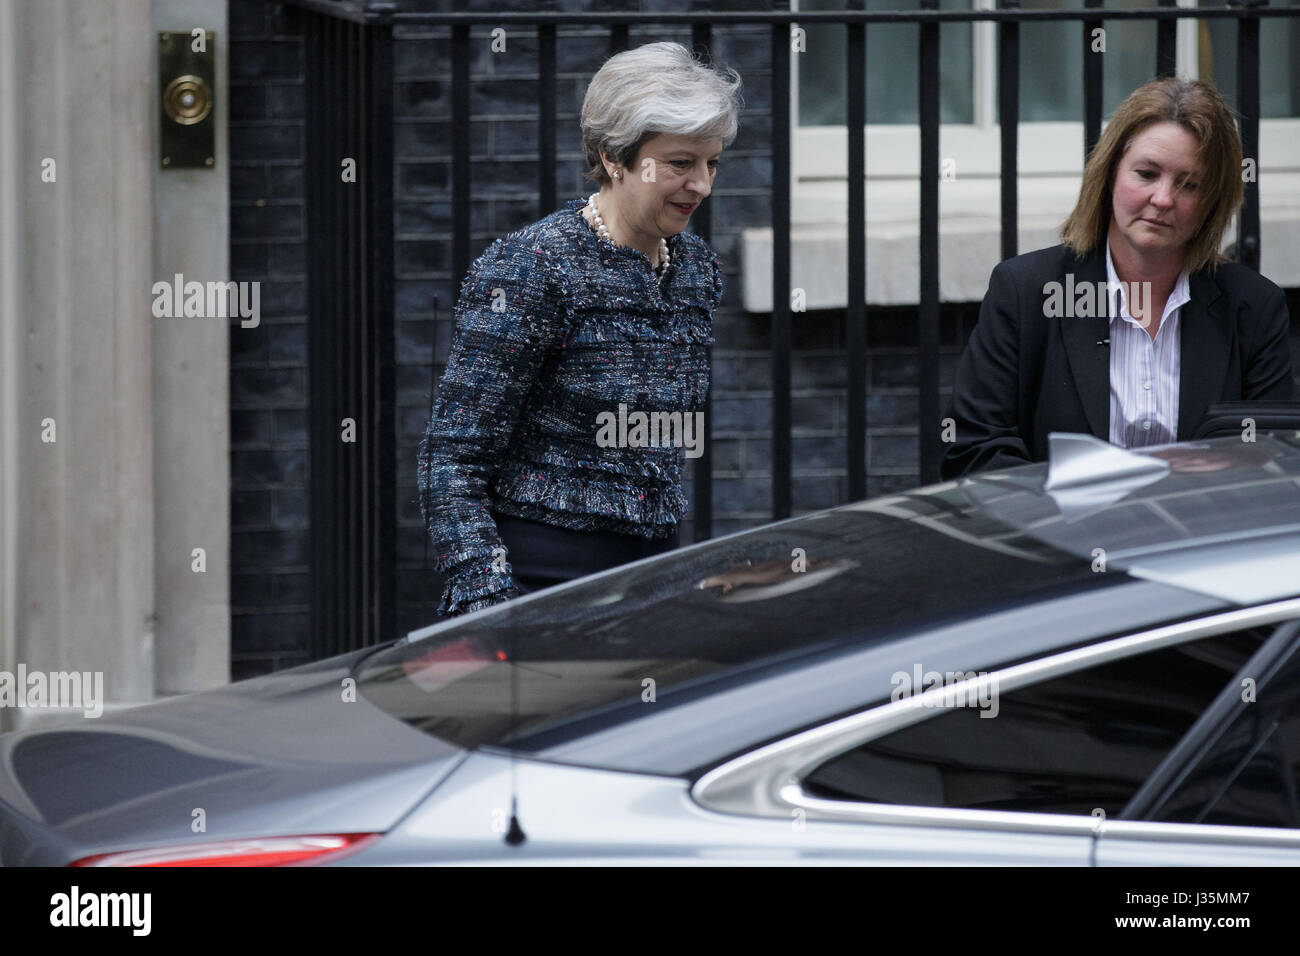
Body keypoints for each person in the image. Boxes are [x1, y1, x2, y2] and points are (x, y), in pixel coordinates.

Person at [418, 41, 743, 617]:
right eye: (679, 164)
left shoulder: (694, 269)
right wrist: (488, 602)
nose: (702, 185)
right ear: (613, 156)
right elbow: (452, 458)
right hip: (542, 576)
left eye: (711, 163)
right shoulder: (533, 267)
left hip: (654, 570)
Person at [941, 77, 1295, 480]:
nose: (1163, 199)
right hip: (1058, 536)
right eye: (1146, 174)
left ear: (1212, 201)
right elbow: (972, 452)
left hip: (1197, 535)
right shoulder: (1026, 292)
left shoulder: (1253, 306)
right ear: (1109, 173)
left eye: (1189, 184)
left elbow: (1274, 462)